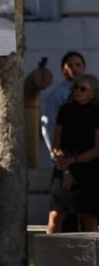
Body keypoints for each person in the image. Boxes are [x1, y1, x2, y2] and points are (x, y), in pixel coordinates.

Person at [50, 73, 99, 233]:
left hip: (89, 168)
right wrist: (64, 168)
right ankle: (48, 254)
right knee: (56, 214)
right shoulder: (65, 110)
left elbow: (97, 149)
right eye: (76, 87)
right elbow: (56, 143)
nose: (78, 91)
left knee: (89, 216)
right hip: (64, 166)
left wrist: (73, 161)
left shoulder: (96, 112)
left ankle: (91, 256)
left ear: (93, 93)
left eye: (83, 88)